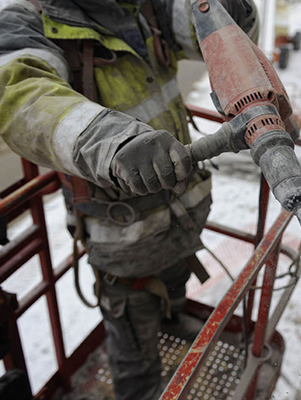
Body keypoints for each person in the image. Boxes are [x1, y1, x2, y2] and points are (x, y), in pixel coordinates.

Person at [0, 0, 258, 399]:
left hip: (182, 222)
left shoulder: (145, 8)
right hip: (125, 246)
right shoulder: (25, 22)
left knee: (174, 295)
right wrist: (111, 141)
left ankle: (171, 321)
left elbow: (208, 27)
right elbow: (21, 93)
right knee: (135, 361)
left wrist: (230, 8)